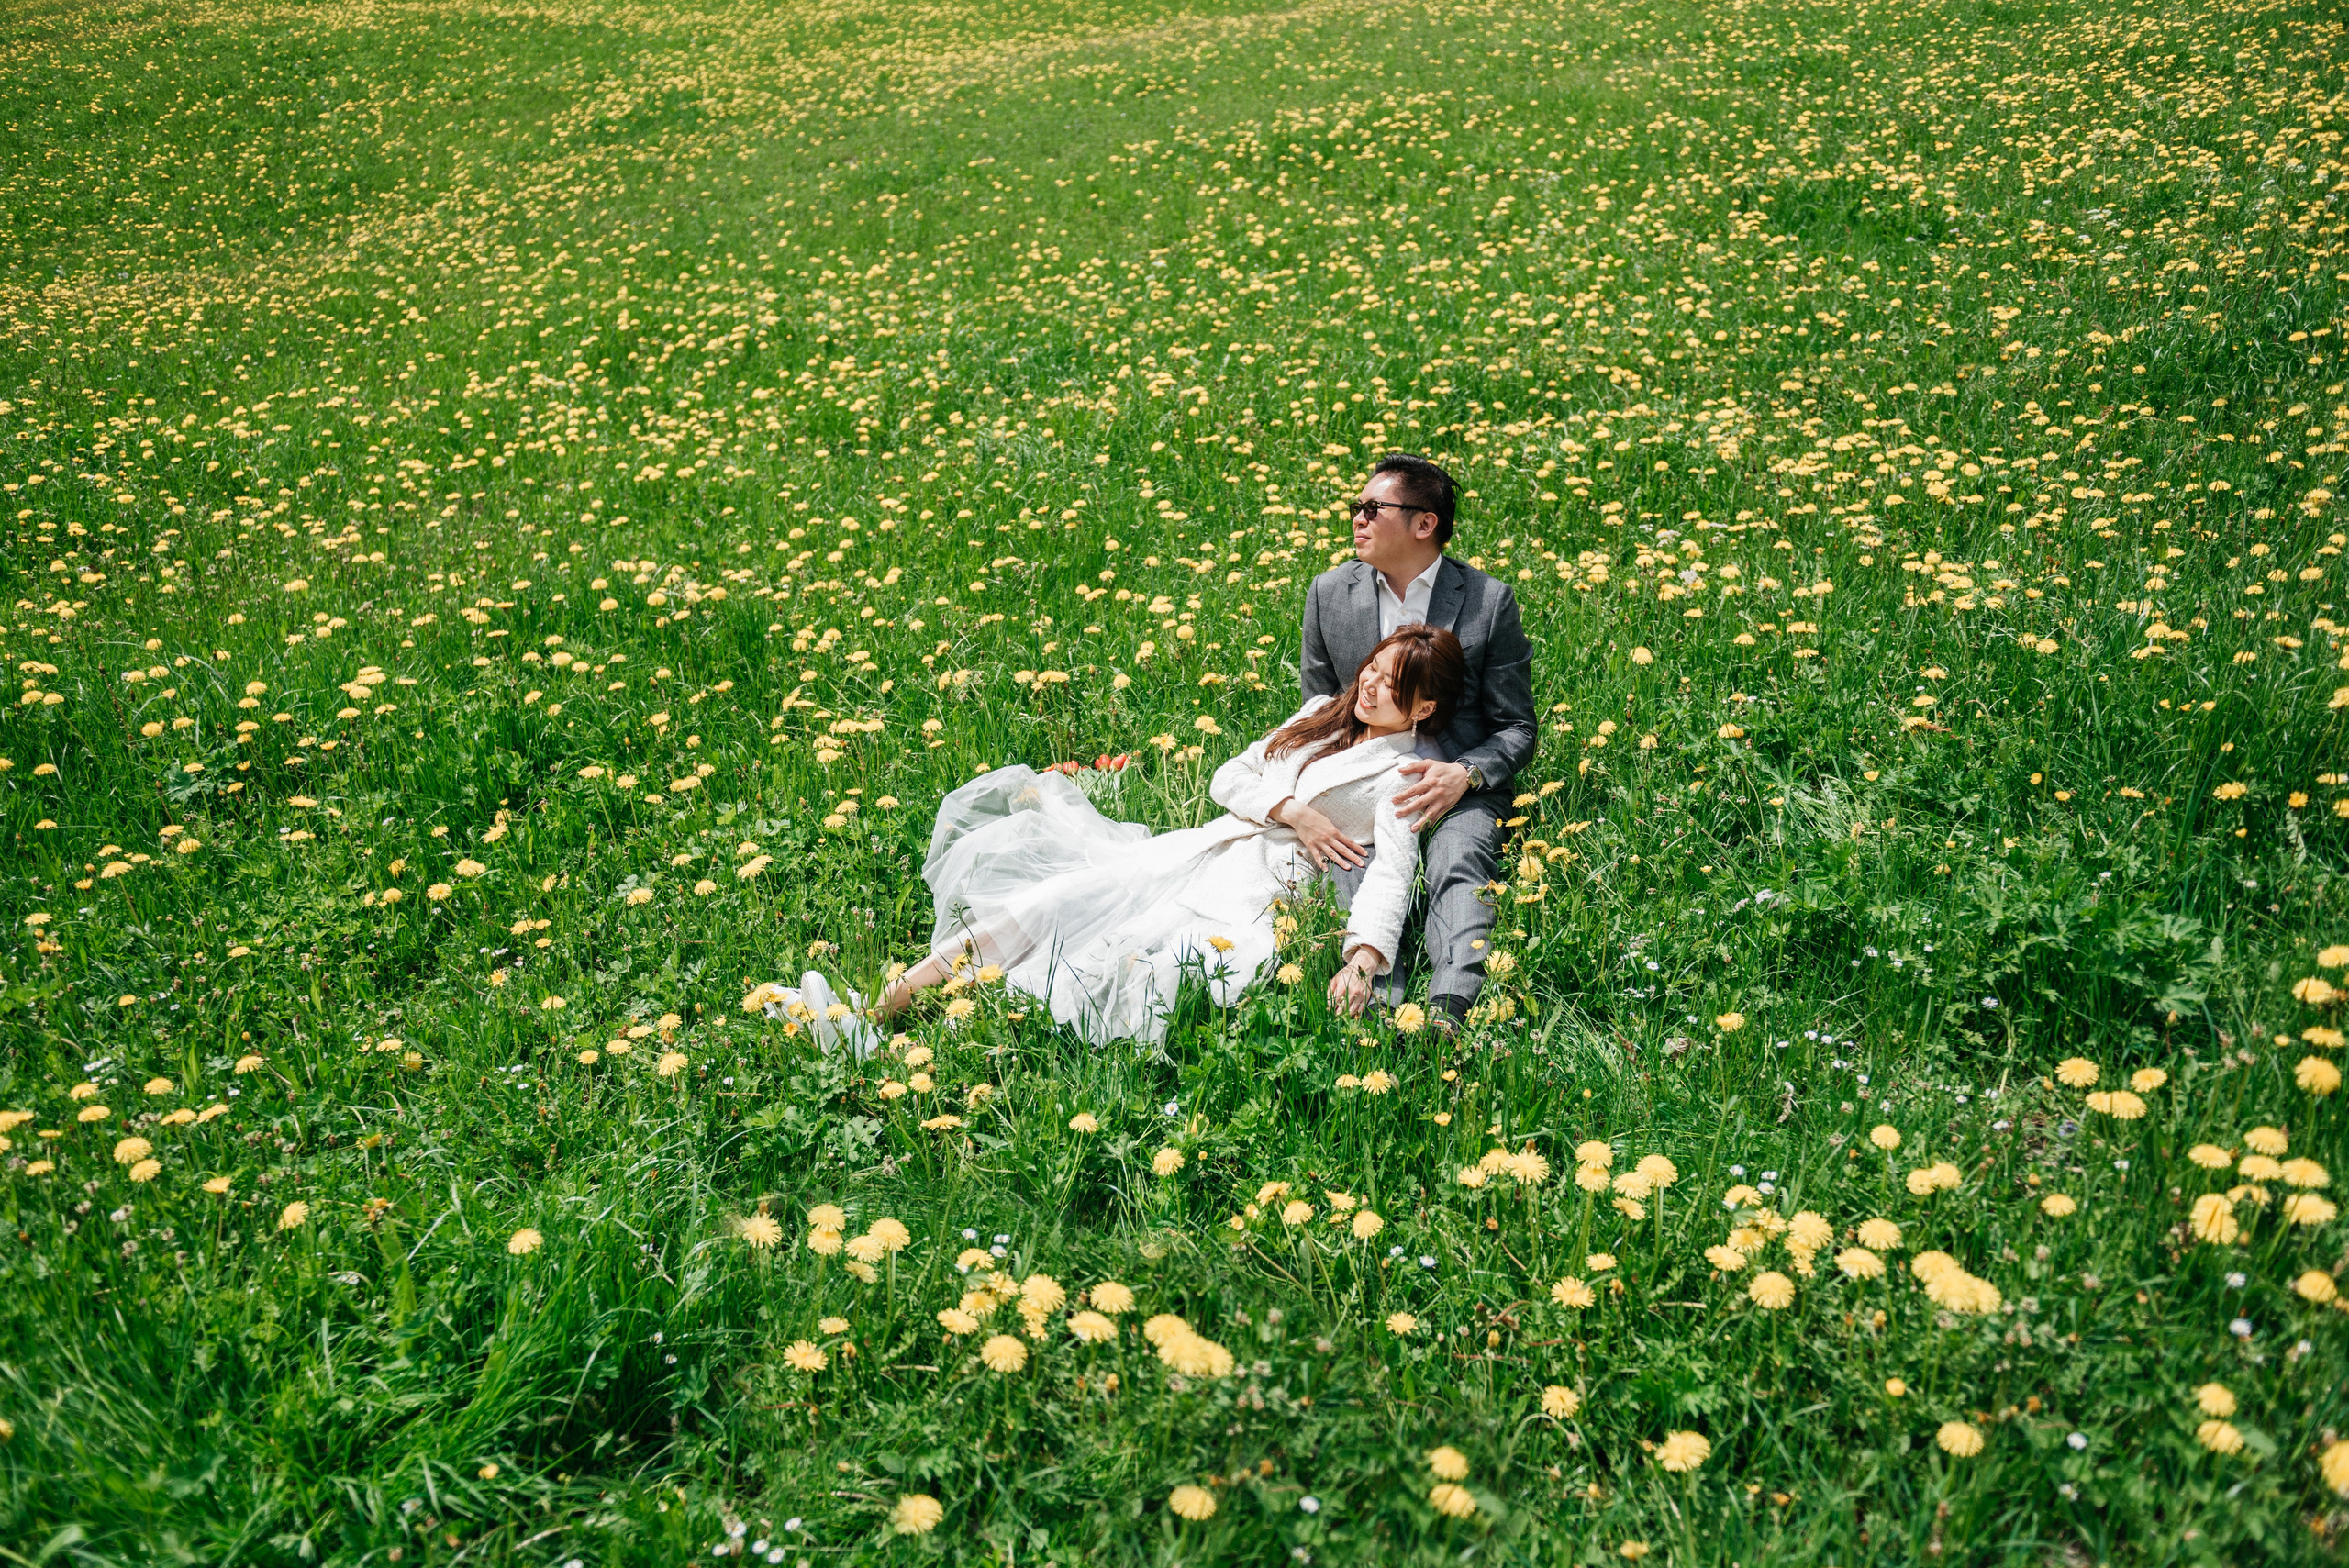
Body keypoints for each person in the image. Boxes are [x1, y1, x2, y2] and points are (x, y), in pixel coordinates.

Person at [806, 626, 1470, 1047]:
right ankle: (872, 1012)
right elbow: (1230, 777)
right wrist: (1294, 809)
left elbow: (1392, 871)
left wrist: (1363, 961)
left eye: (1392, 684)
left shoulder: (1402, 772)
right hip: (1192, 851)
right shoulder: (1318, 715)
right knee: (1047, 903)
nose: (1371, 686)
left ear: (1425, 707)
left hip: (1256, 894)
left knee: (1109, 964)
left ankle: (923, 1041)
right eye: (1372, 670)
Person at [1299, 453, 1535, 1029]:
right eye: (1357, 507)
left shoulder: (1487, 600)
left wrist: (1467, 775)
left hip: (1455, 779)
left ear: (1423, 523)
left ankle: (1448, 1012)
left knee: (1459, 861)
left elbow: (1518, 727)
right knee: (1353, 860)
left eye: (1372, 508)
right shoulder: (1330, 592)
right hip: (1366, 777)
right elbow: (1318, 707)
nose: (1356, 519)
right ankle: (1373, 999)